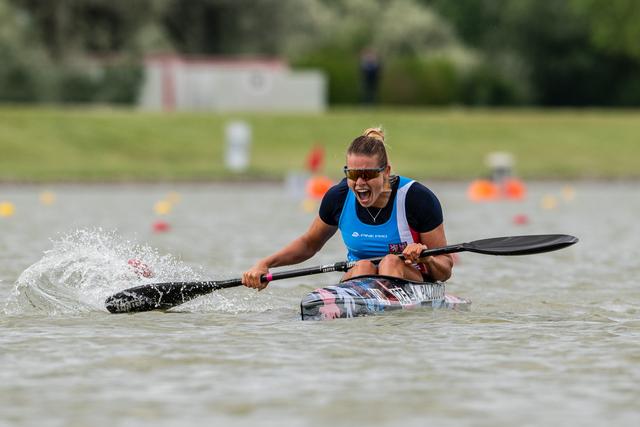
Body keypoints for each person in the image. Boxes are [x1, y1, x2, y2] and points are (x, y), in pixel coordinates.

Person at [242, 128, 453, 290]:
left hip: (413, 279)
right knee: (363, 266)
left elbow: (445, 270)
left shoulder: (417, 199)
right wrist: (265, 263)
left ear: (386, 172)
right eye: (352, 174)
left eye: (368, 174)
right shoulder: (338, 197)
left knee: (390, 262)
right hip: (360, 277)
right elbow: (309, 244)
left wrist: (428, 258)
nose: (360, 183)